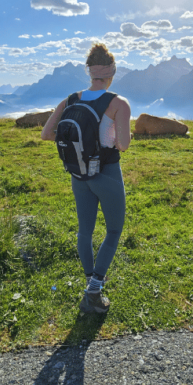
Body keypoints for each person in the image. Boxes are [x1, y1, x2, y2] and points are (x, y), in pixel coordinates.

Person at [40, 43, 131, 313]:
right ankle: (94, 291)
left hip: (78, 172)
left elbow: (46, 134)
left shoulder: (70, 100)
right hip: (107, 172)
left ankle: (91, 280)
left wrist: (80, 144)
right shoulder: (118, 103)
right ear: (112, 71)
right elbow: (123, 145)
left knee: (85, 230)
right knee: (113, 229)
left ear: (90, 72)